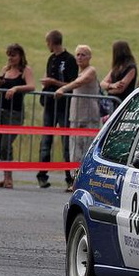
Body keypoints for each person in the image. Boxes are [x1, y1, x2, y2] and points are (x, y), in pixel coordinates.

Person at [55, 44, 100, 192]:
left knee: (87, 149)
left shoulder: (90, 71)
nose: (80, 57)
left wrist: (63, 88)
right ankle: (76, 181)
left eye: (83, 55)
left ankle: (86, 183)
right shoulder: (78, 72)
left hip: (89, 117)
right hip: (75, 116)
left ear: (89, 57)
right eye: (78, 54)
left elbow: (80, 82)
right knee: (75, 151)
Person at [0, 44, 36, 189]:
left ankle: (9, 178)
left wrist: (16, 88)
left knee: (6, 144)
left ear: (20, 56)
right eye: (9, 55)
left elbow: (31, 86)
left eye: (14, 55)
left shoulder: (25, 70)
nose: (11, 58)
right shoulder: (5, 69)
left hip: (14, 112)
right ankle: (5, 177)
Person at [38, 30, 78, 189]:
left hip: (64, 106)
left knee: (66, 142)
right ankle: (42, 175)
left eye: (47, 42)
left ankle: (69, 178)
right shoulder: (51, 59)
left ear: (51, 42)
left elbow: (72, 83)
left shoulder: (69, 60)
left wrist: (53, 82)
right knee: (45, 140)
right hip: (49, 105)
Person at [100, 40, 138, 105]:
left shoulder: (131, 68)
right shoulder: (116, 67)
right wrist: (112, 85)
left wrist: (108, 89)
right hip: (113, 102)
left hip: (124, 102)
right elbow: (102, 84)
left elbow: (120, 89)